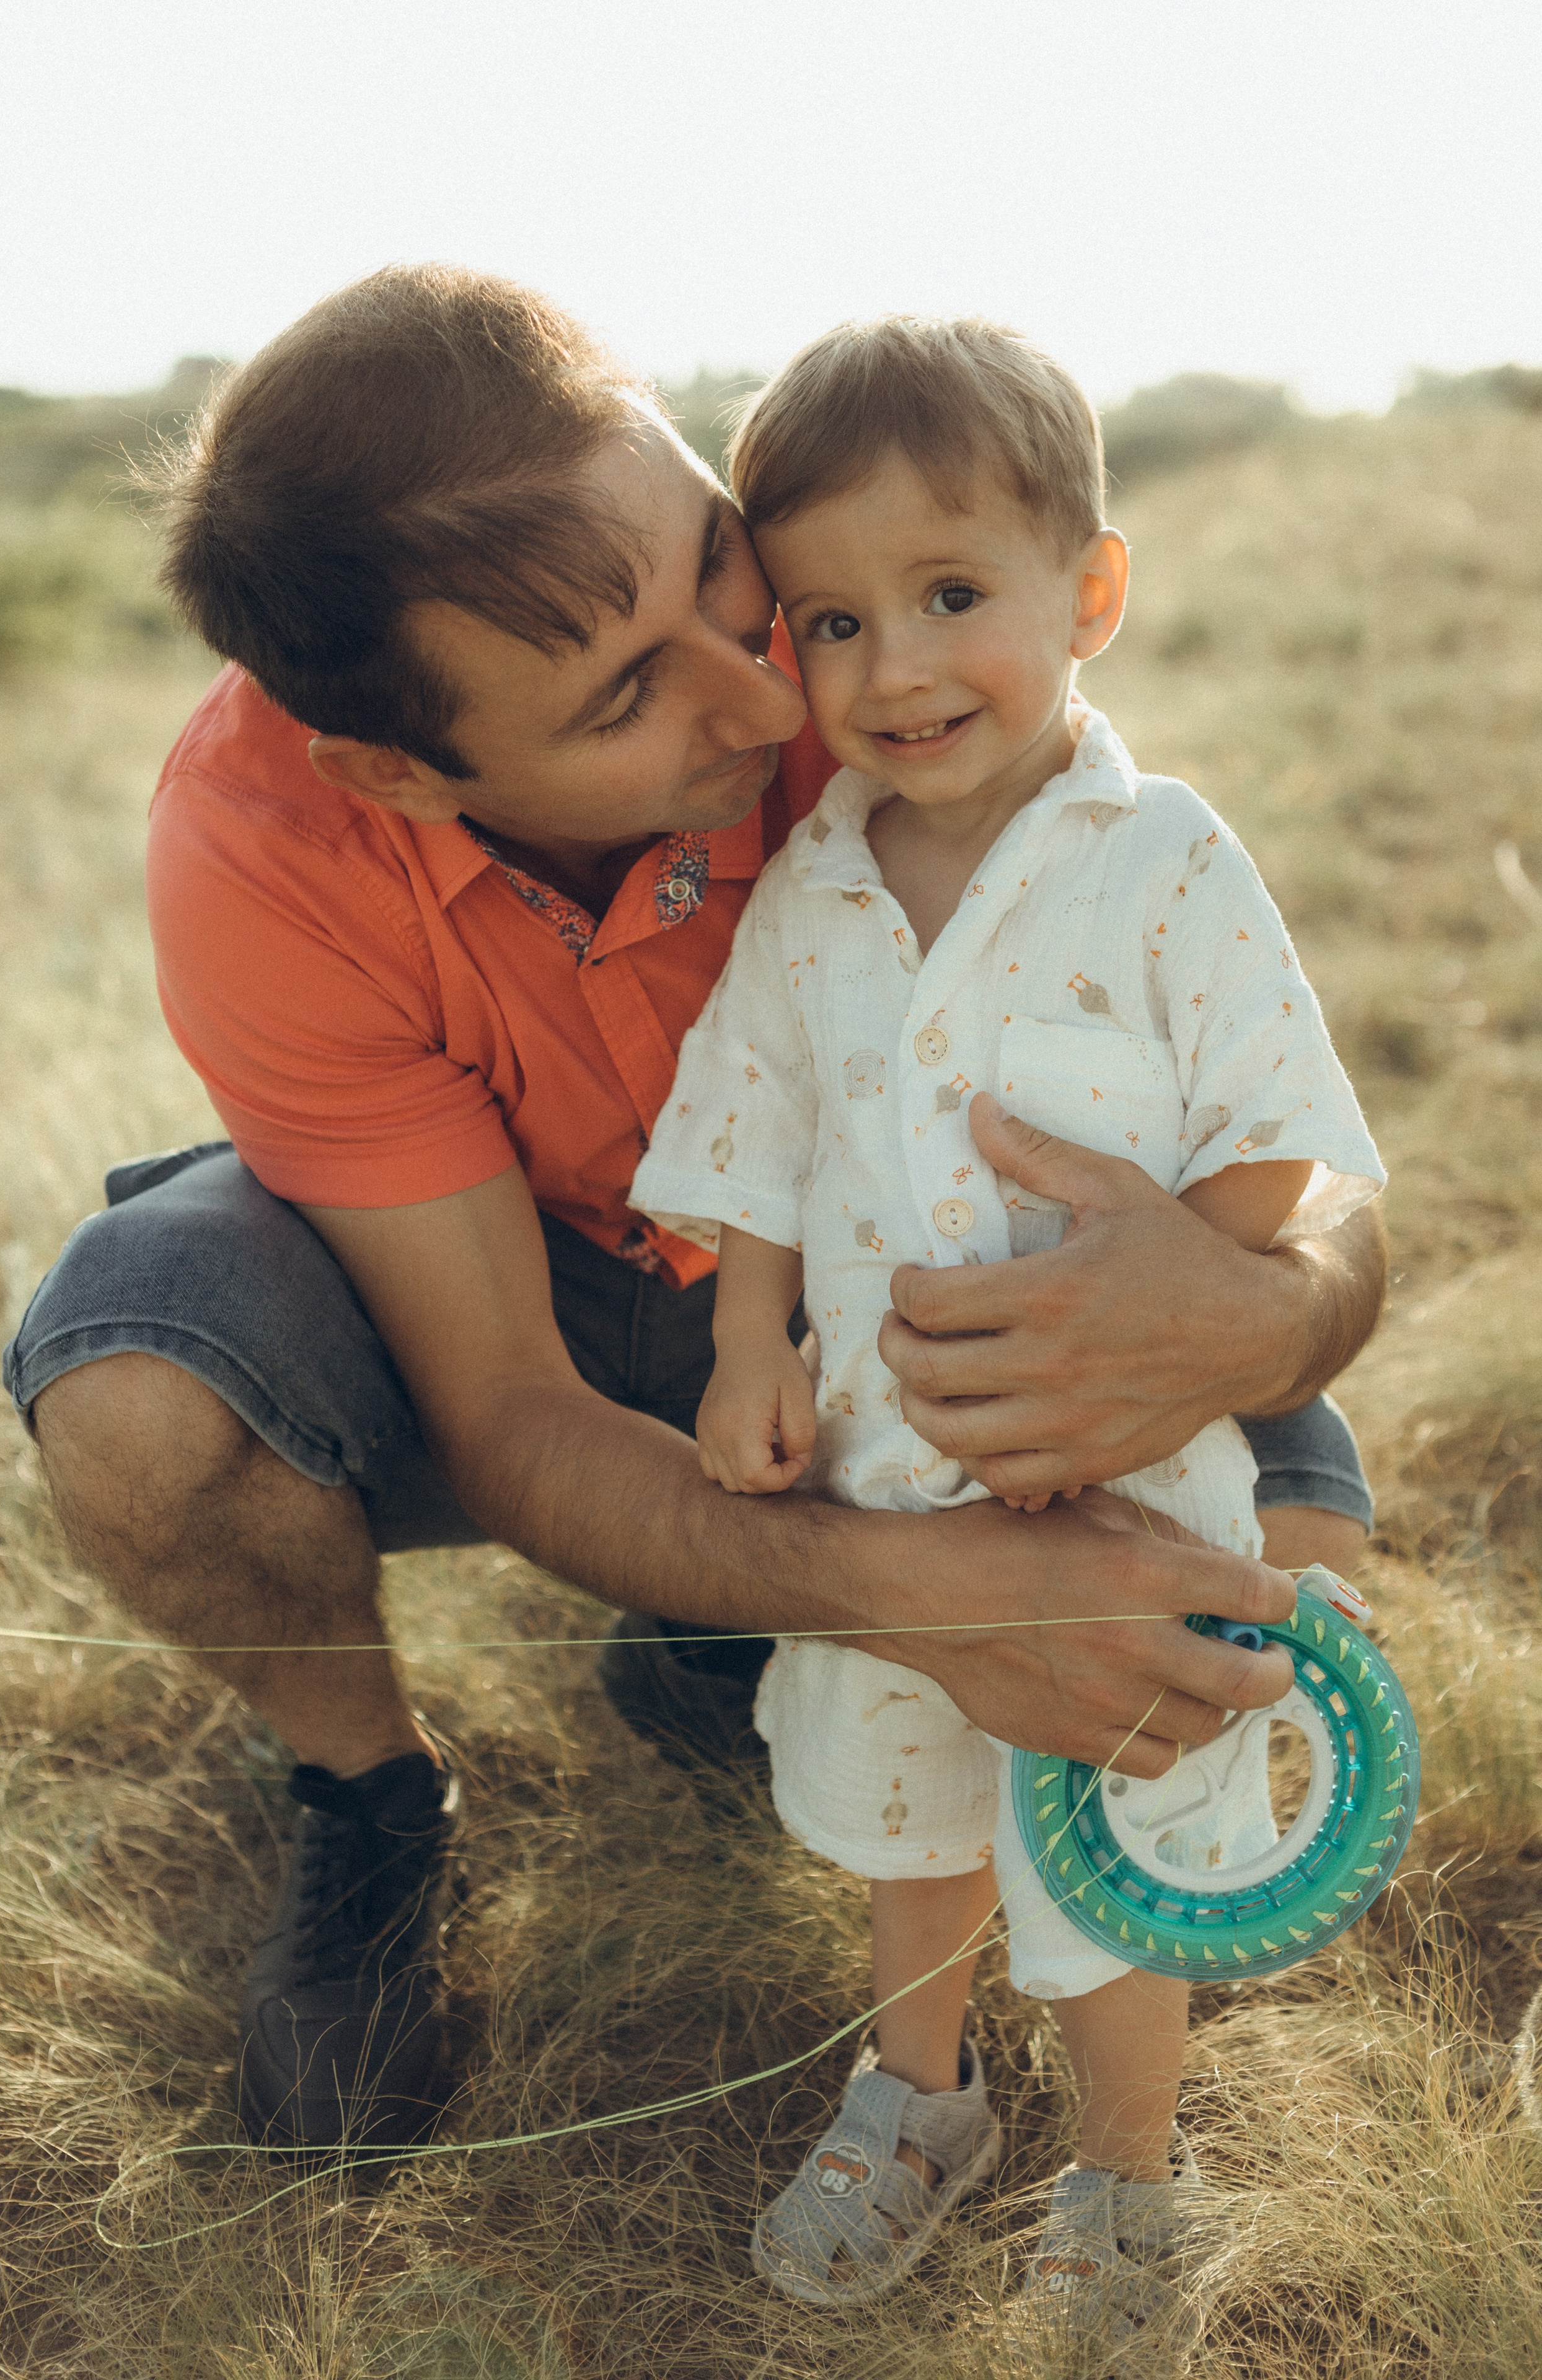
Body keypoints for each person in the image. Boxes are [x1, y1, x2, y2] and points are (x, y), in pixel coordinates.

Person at [2, 267, 1382, 2161]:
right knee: (139, 1387)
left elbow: (1293, 1135)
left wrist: (1277, 1312)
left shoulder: (862, 629)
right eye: (631, 692)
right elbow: (503, 1409)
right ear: (398, 772)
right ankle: (370, 1810)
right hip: (547, 1291)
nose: (778, 692)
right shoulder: (259, 843)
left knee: (1279, 1558)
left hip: (930, 1261)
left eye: (717, 578)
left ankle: (725, 1632)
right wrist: (937, 1600)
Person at [630, 315, 1384, 2324]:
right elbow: (763, 1122)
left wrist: (1169, 1314)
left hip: (1132, 1478)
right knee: (918, 1818)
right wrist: (747, 1343)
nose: (892, 669)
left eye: (952, 597)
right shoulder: (814, 886)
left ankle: (1129, 2184)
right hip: (886, 1491)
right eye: (833, 622)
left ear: (1094, 593)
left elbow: (1273, 1134)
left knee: (1111, 1849)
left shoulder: (1163, 865)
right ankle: (917, 2090)